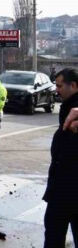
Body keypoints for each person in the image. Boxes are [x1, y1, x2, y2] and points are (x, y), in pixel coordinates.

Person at [43, 68, 78, 247]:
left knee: (54, 236)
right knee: (53, 233)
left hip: (70, 188)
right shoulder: (67, 106)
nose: (56, 89)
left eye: (59, 85)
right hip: (62, 186)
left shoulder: (75, 107)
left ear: (73, 85)